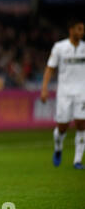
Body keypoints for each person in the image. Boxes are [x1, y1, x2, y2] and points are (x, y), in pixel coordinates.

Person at [41, 19, 85, 169]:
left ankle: (77, 160)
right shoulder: (59, 47)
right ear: (71, 30)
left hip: (82, 92)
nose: (82, 32)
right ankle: (58, 147)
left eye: (83, 30)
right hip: (64, 93)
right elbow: (50, 68)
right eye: (79, 29)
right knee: (62, 127)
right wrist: (44, 88)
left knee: (81, 124)